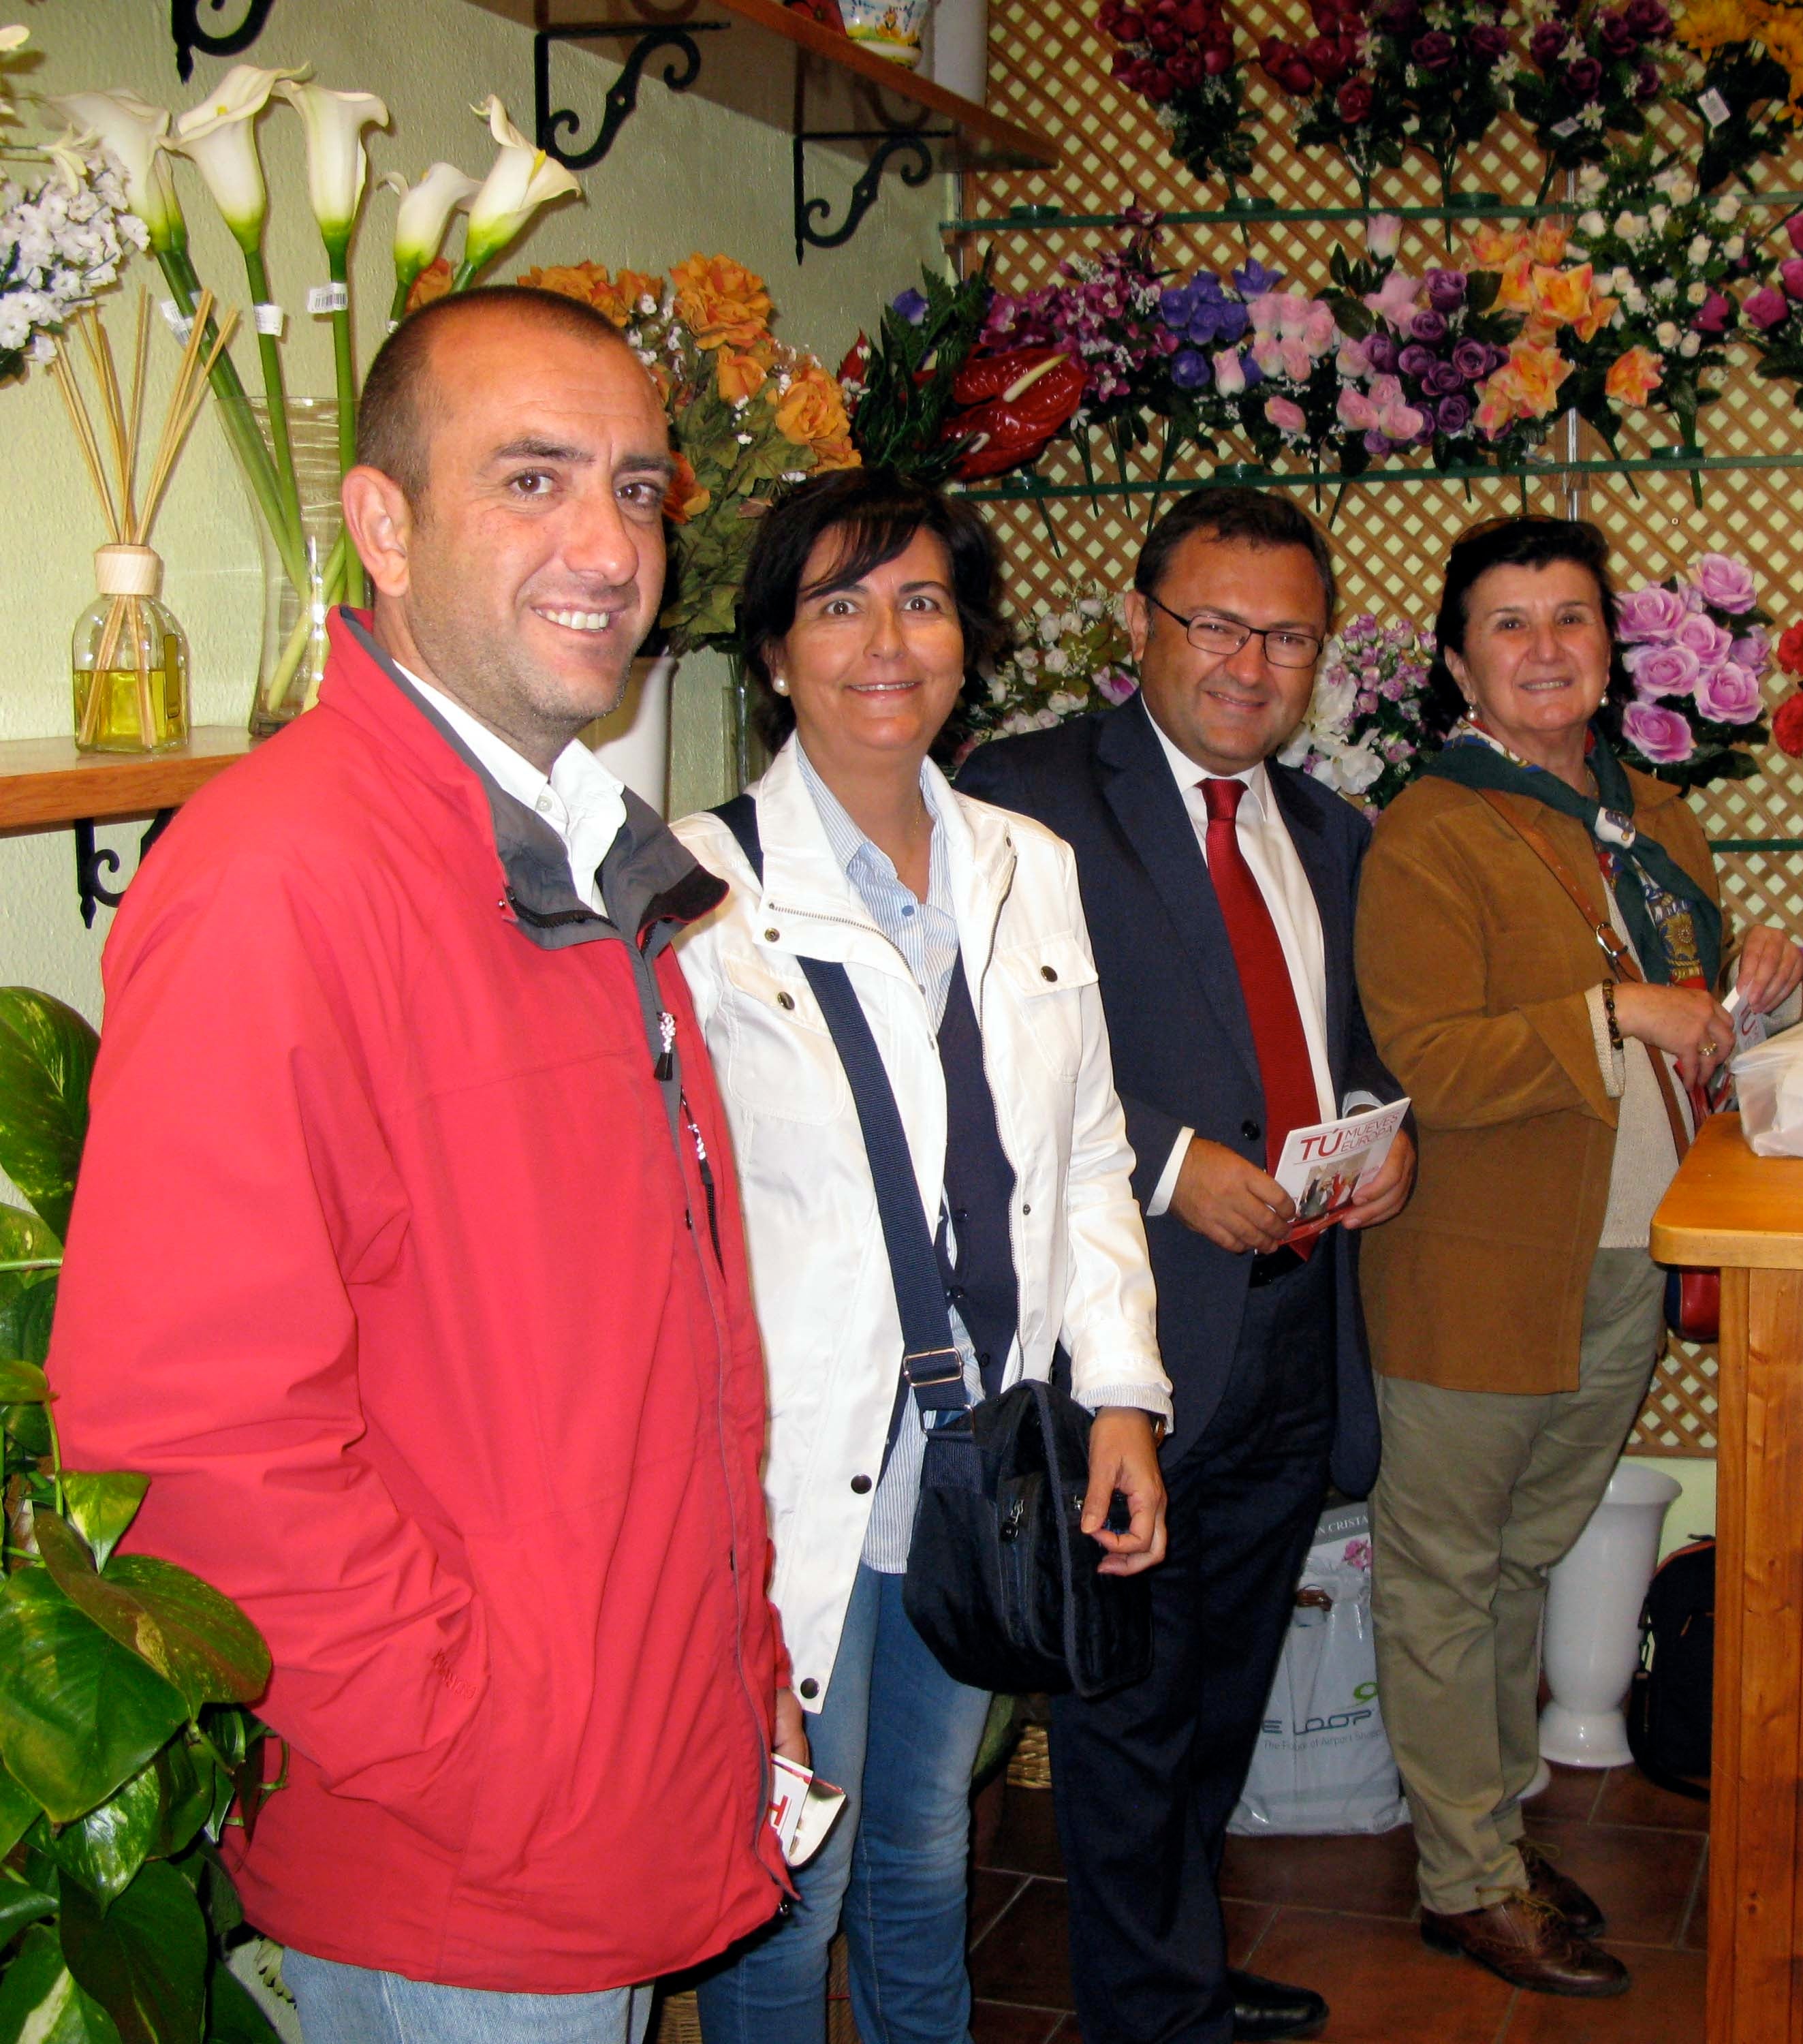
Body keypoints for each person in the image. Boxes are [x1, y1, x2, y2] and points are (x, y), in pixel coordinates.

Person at [48, 288, 798, 2041]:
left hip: (608, 1753)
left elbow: (645, 1354)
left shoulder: (575, 854)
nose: (606, 544)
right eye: (530, 480)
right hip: (472, 1837)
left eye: (633, 486)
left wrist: (722, 1673)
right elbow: (193, 1435)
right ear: (380, 525)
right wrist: (490, 1743)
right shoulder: (286, 877)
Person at [671, 471, 1172, 2044]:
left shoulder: (1032, 862)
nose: (884, 639)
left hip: (976, 1459)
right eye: (836, 603)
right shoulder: (687, 884)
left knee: (922, 1839)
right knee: (787, 1869)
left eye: (922, 600)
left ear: (969, 637)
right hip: (781, 1463)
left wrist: (1122, 1393)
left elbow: (1084, 1150)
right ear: (769, 650)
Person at [956, 487, 1415, 2044]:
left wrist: (1374, 1130)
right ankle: (1151, 2010)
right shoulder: (1020, 798)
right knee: (1127, 1704)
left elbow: (1343, 1048)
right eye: (1215, 623)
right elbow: (977, 1036)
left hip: (1292, 1332)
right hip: (1122, 1335)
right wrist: (1159, 1159)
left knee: (1217, 1692)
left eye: (1285, 633)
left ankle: (1176, 1962)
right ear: (1143, 625)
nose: (1248, 661)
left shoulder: (1332, 834)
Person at [1352, 516, 1803, 1997]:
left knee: (1517, 1560)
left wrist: (1753, 992)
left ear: (1610, 649)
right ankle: (1465, 1875)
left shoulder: (1649, 815)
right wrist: (1616, 1018)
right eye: (1507, 624)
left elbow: (1697, 1036)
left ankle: (1482, 1840)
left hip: (1623, 1248)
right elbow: (1425, 1059)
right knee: (1442, 1568)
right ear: (1454, 663)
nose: (1544, 648)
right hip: (1477, 1261)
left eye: (1569, 619)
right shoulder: (1430, 825)